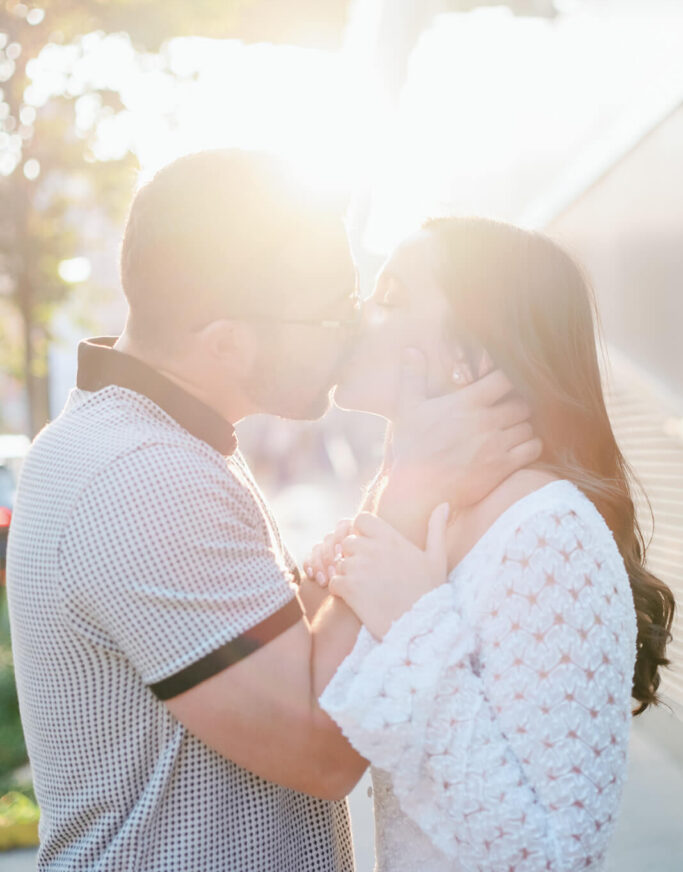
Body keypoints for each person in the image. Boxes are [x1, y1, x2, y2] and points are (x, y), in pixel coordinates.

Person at [7, 153, 540, 872]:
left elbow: (303, 650)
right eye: (331, 312)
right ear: (223, 339)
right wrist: (414, 481)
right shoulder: (141, 475)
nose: (353, 330)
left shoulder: (157, 442)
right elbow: (318, 745)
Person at [306, 217, 675, 872]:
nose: (359, 311)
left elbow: (548, 858)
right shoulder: (440, 512)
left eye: (391, 296)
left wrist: (412, 623)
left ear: (471, 355)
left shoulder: (549, 534)